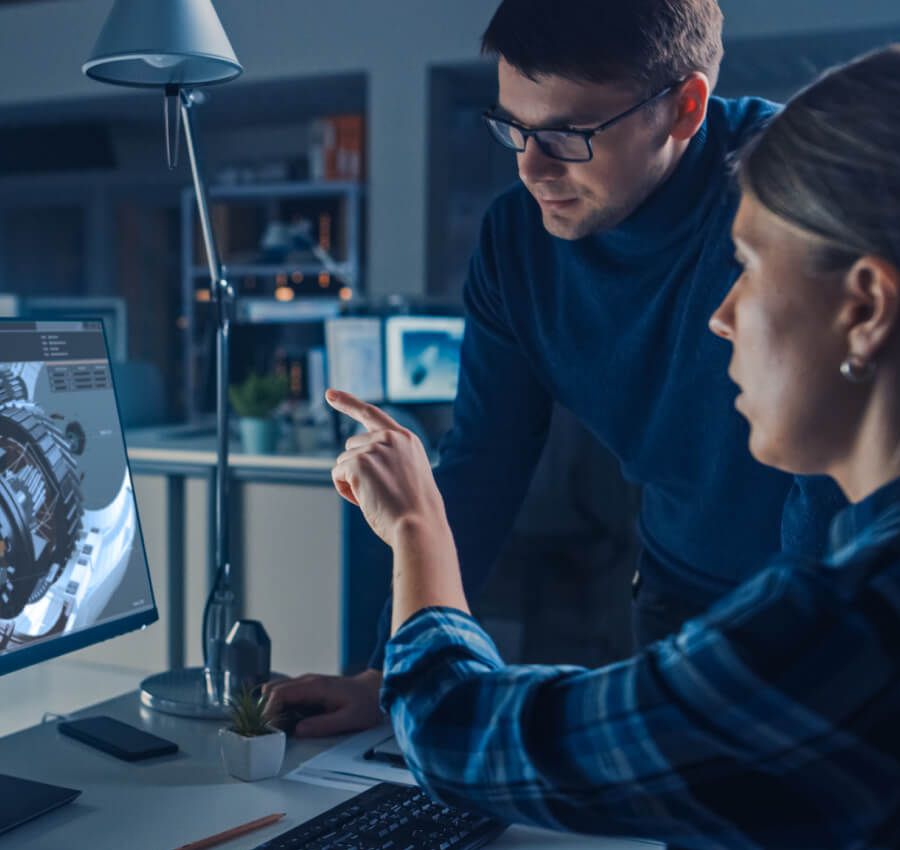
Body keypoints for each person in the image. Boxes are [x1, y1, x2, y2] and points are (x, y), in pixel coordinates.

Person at [316, 45, 900, 850]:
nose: (722, 313)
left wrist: (416, 530)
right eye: (513, 129)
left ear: (865, 306)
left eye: (749, 267)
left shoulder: (847, 629)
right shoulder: (519, 239)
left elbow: (457, 732)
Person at [266, 0, 843, 738]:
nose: (532, 169)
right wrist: (386, 671)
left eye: (569, 135)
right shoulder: (518, 243)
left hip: (826, 589)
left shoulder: (796, 197)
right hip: (678, 589)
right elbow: (484, 461)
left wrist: (809, 665)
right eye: (515, 128)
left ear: (685, 108)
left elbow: (831, 476)